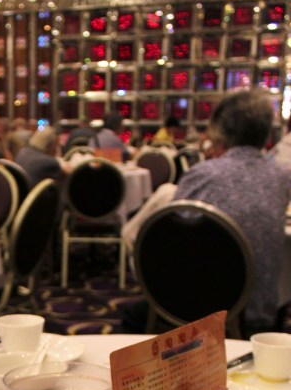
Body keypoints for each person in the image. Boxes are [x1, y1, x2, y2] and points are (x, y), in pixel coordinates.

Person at [123, 90, 291, 335]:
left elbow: (171, 238)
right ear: (267, 130)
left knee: (133, 316)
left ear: (220, 130)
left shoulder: (202, 174)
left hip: (197, 310)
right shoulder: (281, 178)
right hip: (257, 311)